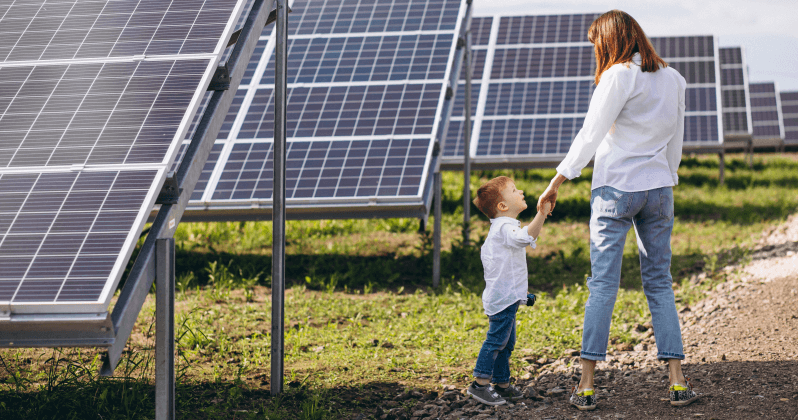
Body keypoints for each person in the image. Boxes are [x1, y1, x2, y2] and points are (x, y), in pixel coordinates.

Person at [536, 10, 699, 411]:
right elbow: (676, 137)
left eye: (596, 43)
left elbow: (591, 131)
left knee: (604, 286)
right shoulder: (674, 78)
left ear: (608, 41)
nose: (595, 50)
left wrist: (558, 180)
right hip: (659, 189)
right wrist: (669, 175)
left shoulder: (618, 75)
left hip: (615, 190)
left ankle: (587, 386)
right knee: (660, 282)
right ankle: (678, 382)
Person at [466, 176, 551, 406]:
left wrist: (522, 297)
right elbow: (525, 239)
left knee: (507, 343)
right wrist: (541, 214)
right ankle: (480, 384)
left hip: (507, 298)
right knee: (496, 342)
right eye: (514, 190)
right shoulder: (504, 228)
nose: (521, 191)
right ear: (502, 206)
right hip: (502, 300)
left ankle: (502, 384)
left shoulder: (505, 227)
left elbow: (509, 269)